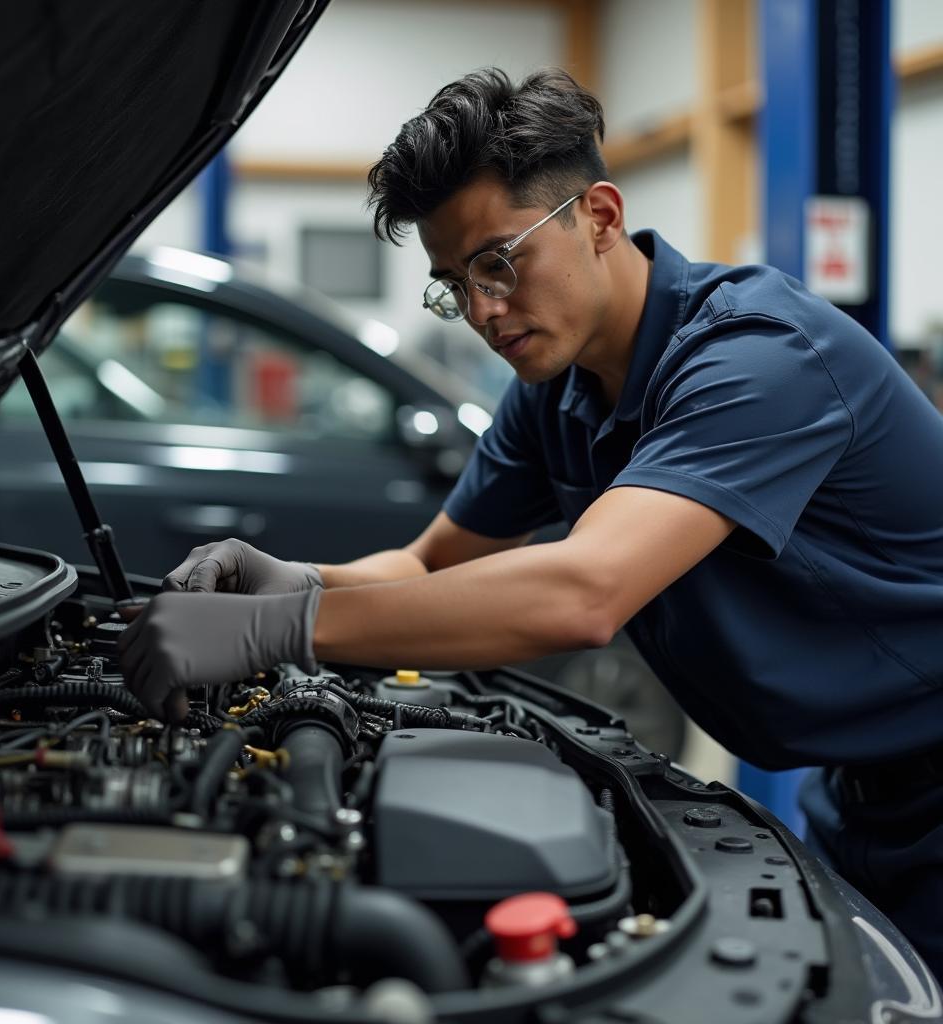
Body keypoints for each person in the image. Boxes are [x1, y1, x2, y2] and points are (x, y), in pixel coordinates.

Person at [119, 68, 943, 979]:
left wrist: (276, 630)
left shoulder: (759, 357)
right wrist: (292, 579)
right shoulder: (555, 391)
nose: (481, 310)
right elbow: (426, 567)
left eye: (499, 262)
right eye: (454, 283)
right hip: (864, 799)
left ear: (598, 216)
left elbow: (584, 592)